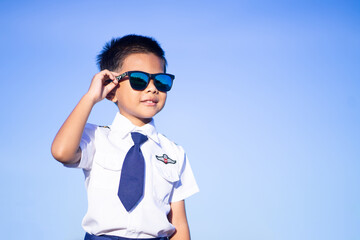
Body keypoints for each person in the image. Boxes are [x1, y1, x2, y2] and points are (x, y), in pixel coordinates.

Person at [51, 34, 199, 240]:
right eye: (139, 79)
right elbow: (61, 152)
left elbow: (179, 224)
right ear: (112, 90)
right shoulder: (97, 137)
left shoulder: (174, 152)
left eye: (161, 81)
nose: (152, 88)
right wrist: (91, 97)